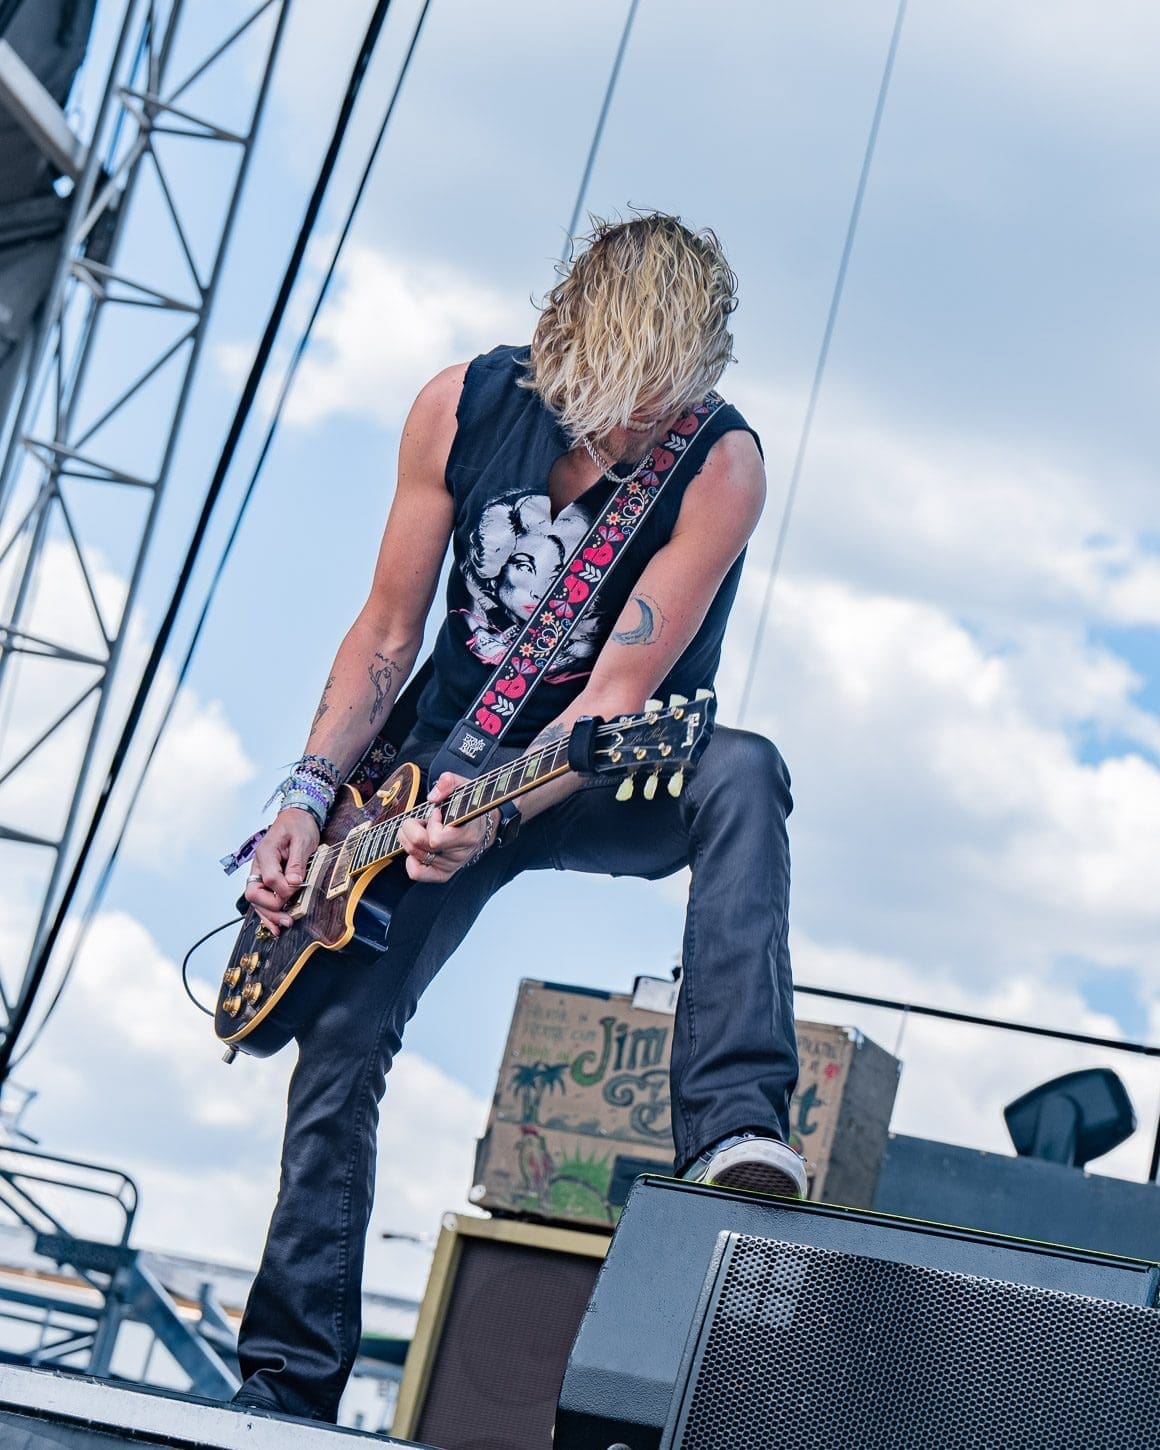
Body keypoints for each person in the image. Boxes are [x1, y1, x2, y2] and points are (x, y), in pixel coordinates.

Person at [231, 213, 804, 1423]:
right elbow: (386, 632)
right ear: (563, 352)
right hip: (432, 771)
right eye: (611, 404)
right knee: (342, 1036)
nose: (630, 432)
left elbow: (612, 696)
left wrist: (495, 814)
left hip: (606, 764)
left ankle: (734, 1127)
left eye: (660, 406)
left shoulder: (720, 468)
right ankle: (283, 1392)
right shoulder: (459, 405)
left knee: (741, 772)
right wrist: (307, 795)